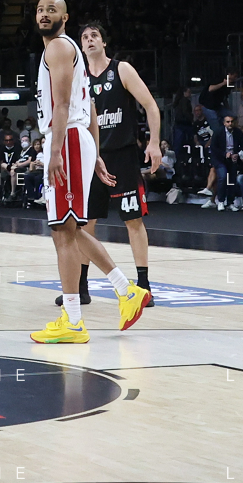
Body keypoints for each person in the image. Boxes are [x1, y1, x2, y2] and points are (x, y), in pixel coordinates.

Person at [28, 0, 149, 345]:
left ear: (65, 17)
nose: (44, 14)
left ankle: (73, 320)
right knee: (70, 228)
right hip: (74, 139)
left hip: (65, 138)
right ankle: (126, 291)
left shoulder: (58, 48)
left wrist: (56, 150)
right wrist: (93, 153)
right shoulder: (69, 51)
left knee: (63, 232)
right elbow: (91, 107)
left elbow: (64, 104)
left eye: (51, 10)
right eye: (40, 10)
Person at [72, 21, 162, 307]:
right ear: (80, 45)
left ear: (104, 42)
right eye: (84, 37)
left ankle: (143, 286)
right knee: (85, 224)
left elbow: (151, 105)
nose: (89, 40)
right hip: (91, 158)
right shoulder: (77, 76)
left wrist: (154, 142)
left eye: (94, 35)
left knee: (133, 220)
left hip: (122, 156)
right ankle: (81, 287)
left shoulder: (121, 69)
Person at [209, 114, 243, 210]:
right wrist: (224, 154)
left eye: (232, 121)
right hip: (219, 158)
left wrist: (238, 154)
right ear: (224, 123)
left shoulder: (238, 132)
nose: (230, 123)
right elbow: (213, 147)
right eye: (228, 122)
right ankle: (221, 201)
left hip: (232, 158)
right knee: (222, 177)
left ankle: (230, 202)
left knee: (232, 180)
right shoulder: (218, 132)